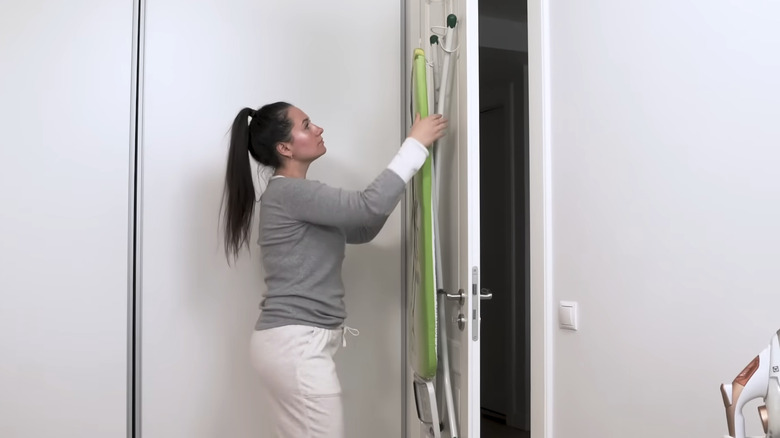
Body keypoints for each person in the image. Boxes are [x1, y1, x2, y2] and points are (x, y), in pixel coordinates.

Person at [220, 101, 447, 438]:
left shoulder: (289, 196)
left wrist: (407, 172)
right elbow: (366, 208)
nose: (318, 129)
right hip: (296, 346)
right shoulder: (291, 192)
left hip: (292, 343)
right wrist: (413, 146)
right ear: (285, 147)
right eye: (307, 124)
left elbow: (363, 227)